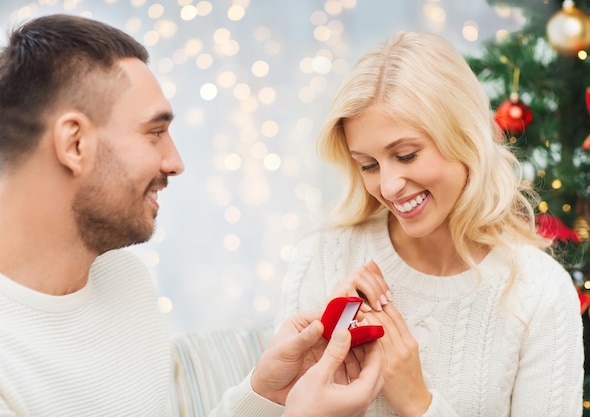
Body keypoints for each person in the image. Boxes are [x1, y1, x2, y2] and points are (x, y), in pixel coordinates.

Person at [0, 14, 383, 417]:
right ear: (74, 144)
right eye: (154, 133)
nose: (175, 162)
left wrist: (266, 394)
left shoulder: (125, 280)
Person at [276, 31, 584, 416]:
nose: (387, 186)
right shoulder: (324, 258)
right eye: (368, 165)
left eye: (406, 155)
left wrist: (419, 406)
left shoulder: (538, 293)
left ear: (465, 139)